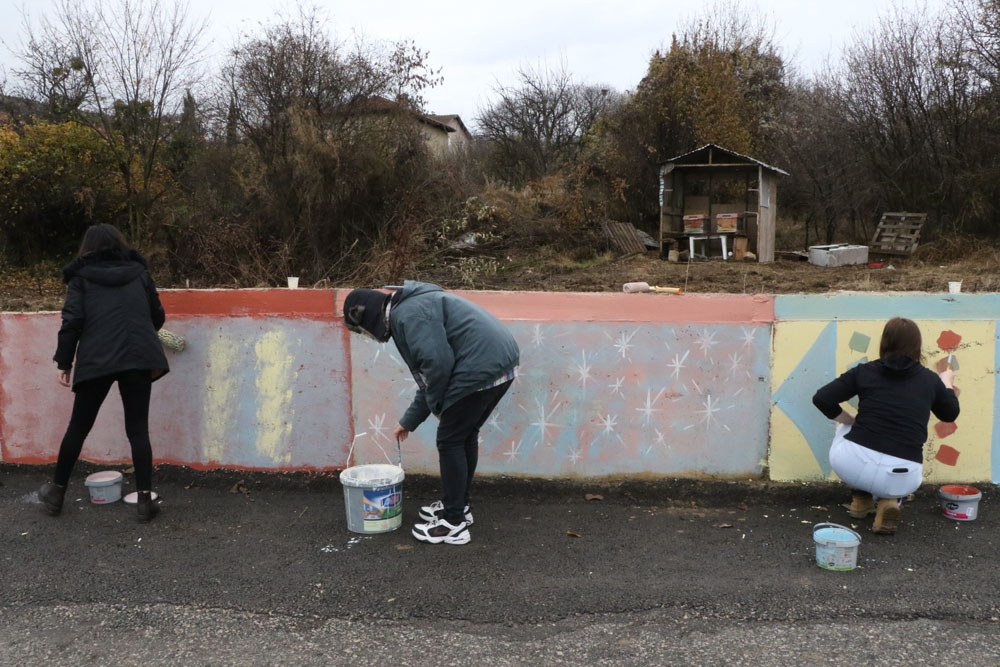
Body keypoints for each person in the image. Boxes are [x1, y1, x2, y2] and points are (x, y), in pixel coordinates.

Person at [343, 280, 519, 545]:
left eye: (363, 331)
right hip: (499, 363)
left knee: (450, 440)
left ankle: (453, 523)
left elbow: (438, 366)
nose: (370, 337)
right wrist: (410, 421)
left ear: (366, 317)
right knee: (464, 434)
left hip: (479, 367)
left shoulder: (408, 315)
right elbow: (431, 374)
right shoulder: (410, 307)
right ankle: (458, 506)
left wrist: (438, 406)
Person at [38, 224, 169, 522]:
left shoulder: (80, 278)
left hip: (97, 359)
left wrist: (64, 363)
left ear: (87, 247)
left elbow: (72, 321)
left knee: (78, 427)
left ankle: (56, 493)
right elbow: (156, 316)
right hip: (138, 357)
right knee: (138, 429)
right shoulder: (139, 273)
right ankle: (145, 501)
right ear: (119, 243)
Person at [812, 317, 959, 534]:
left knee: (846, 426)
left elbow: (822, 398)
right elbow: (949, 414)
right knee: (894, 474)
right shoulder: (929, 380)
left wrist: (850, 420)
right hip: (904, 475)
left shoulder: (865, 371)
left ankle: (861, 499)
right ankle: (889, 501)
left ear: (884, 343)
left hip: (852, 465)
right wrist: (946, 382)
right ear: (917, 346)